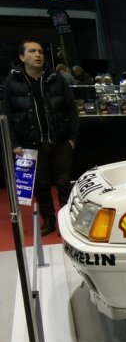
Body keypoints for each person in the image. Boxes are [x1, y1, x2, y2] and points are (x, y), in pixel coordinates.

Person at [4, 40, 78, 235]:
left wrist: (72, 137)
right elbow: (8, 116)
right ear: (22, 57)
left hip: (61, 141)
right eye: (32, 51)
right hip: (30, 144)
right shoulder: (12, 83)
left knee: (64, 185)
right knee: (41, 186)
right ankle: (49, 220)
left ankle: (67, 222)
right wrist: (14, 143)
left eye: (40, 51)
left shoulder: (57, 78)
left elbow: (72, 109)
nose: (38, 55)